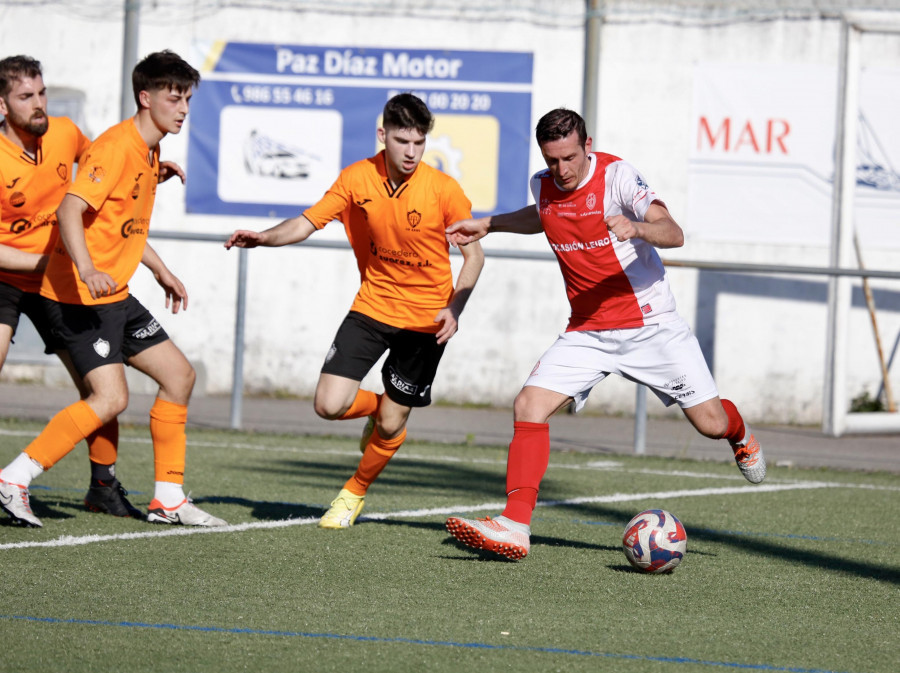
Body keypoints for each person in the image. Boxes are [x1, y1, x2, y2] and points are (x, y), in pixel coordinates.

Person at [443, 108, 766, 560]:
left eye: (570, 158)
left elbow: (674, 233)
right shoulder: (544, 184)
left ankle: (740, 435)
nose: (563, 170)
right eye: (552, 160)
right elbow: (544, 215)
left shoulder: (617, 177)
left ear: (587, 144)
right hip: (588, 332)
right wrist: (490, 223)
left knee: (710, 424)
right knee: (528, 404)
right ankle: (514, 525)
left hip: (651, 326)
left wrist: (637, 227)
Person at [226, 93, 484, 529]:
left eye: (419, 143)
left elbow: (474, 258)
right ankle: (383, 407)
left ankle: (353, 493)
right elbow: (306, 222)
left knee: (389, 427)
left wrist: (454, 309)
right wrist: (265, 238)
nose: (410, 152)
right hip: (372, 306)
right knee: (328, 404)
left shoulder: (444, 190)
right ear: (383, 135)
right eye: (402, 141)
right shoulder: (356, 178)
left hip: (426, 322)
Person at [0, 50, 226, 528]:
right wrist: (85, 268)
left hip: (113, 293)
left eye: (187, 98)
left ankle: (167, 499)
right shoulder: (116, 147)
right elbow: (69, 210)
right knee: (110, 398)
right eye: (174, 97)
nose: (183, 108)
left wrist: (161, 269)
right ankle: (14, 478)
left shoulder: (148, 150)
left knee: (179, 377)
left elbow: (120, 225)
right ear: (145, 98)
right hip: (75, 295)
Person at [0, 54, 144, 519]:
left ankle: (102, 486)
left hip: (57, 281)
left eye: (41, 93)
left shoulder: (63, 131)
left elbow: (100, 175)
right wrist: (53, 259)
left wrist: (149, 170)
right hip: (6, 279)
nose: (39, 104)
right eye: (26, 97)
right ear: (2, 105)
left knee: (101, 386)